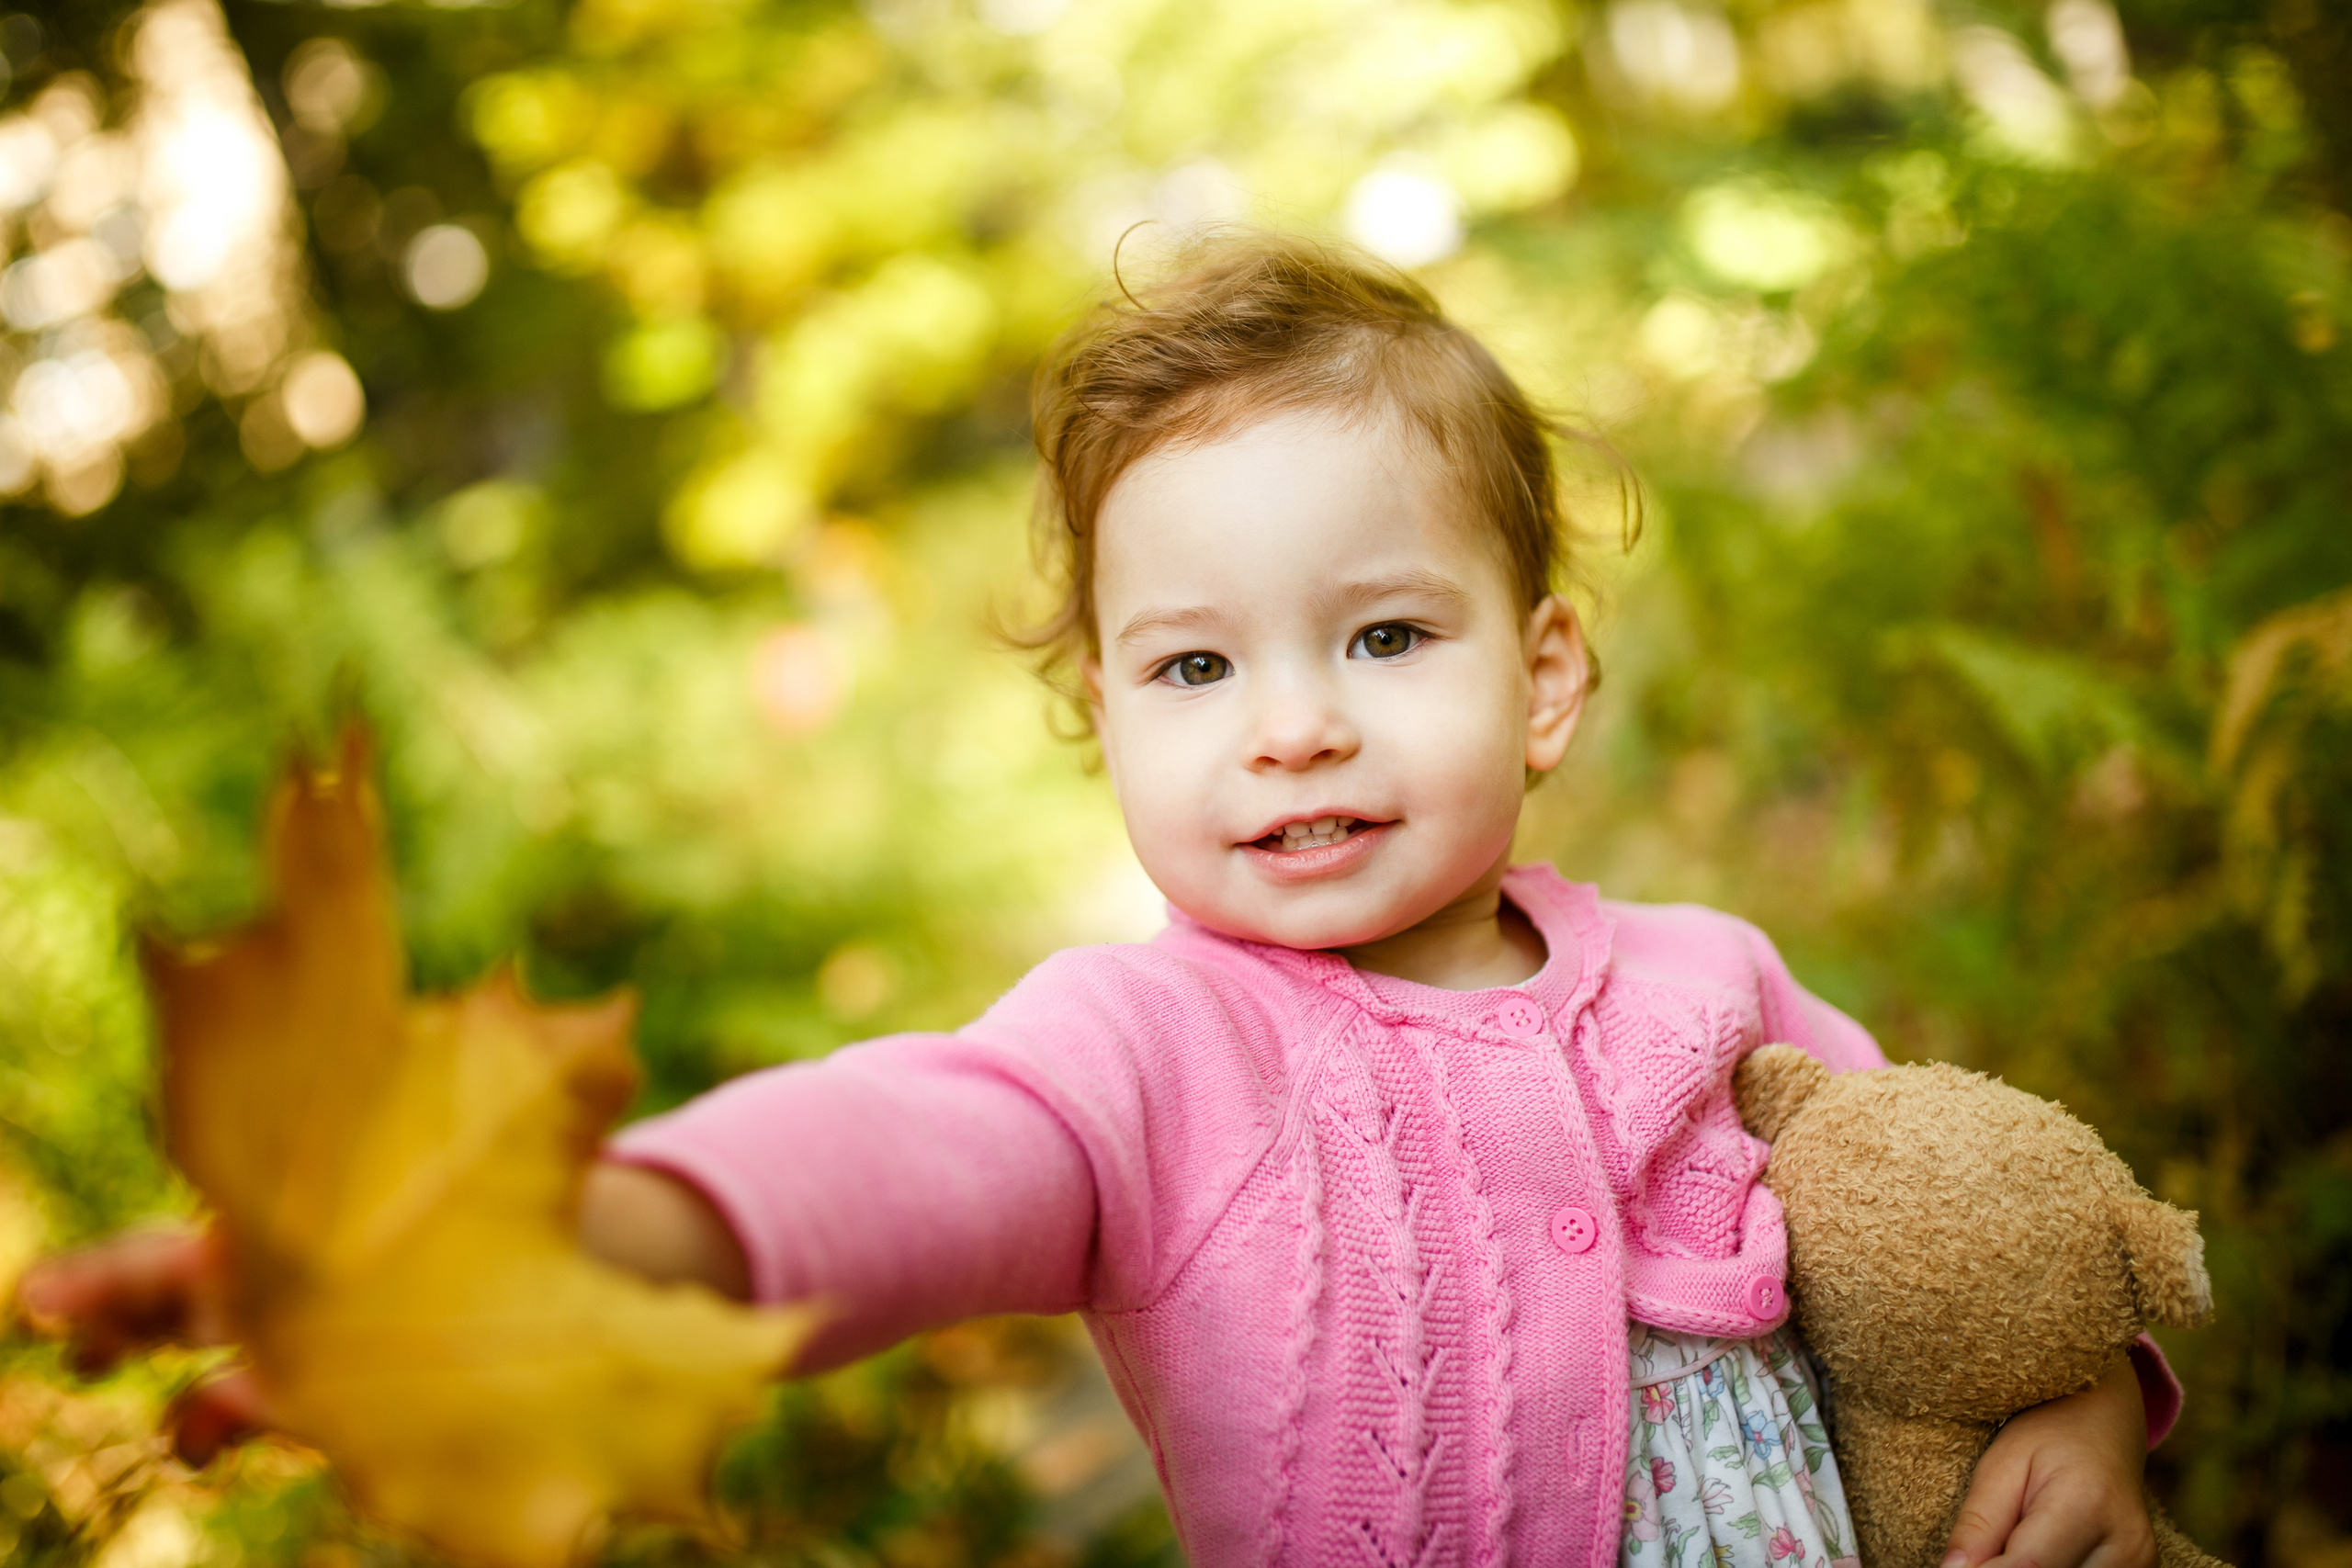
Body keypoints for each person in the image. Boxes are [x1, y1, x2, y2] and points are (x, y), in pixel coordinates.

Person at [20, 232, 2177, 1568]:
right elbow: (893, 1150)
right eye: (1192, 665)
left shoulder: (1714, 981)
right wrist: (562, 1225)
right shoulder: (1147, 1057)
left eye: (1384, 637)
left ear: (1541, 678)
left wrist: (2086, 1409)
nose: (1292, 728)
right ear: (1104, 719)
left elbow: (1977, 1239)